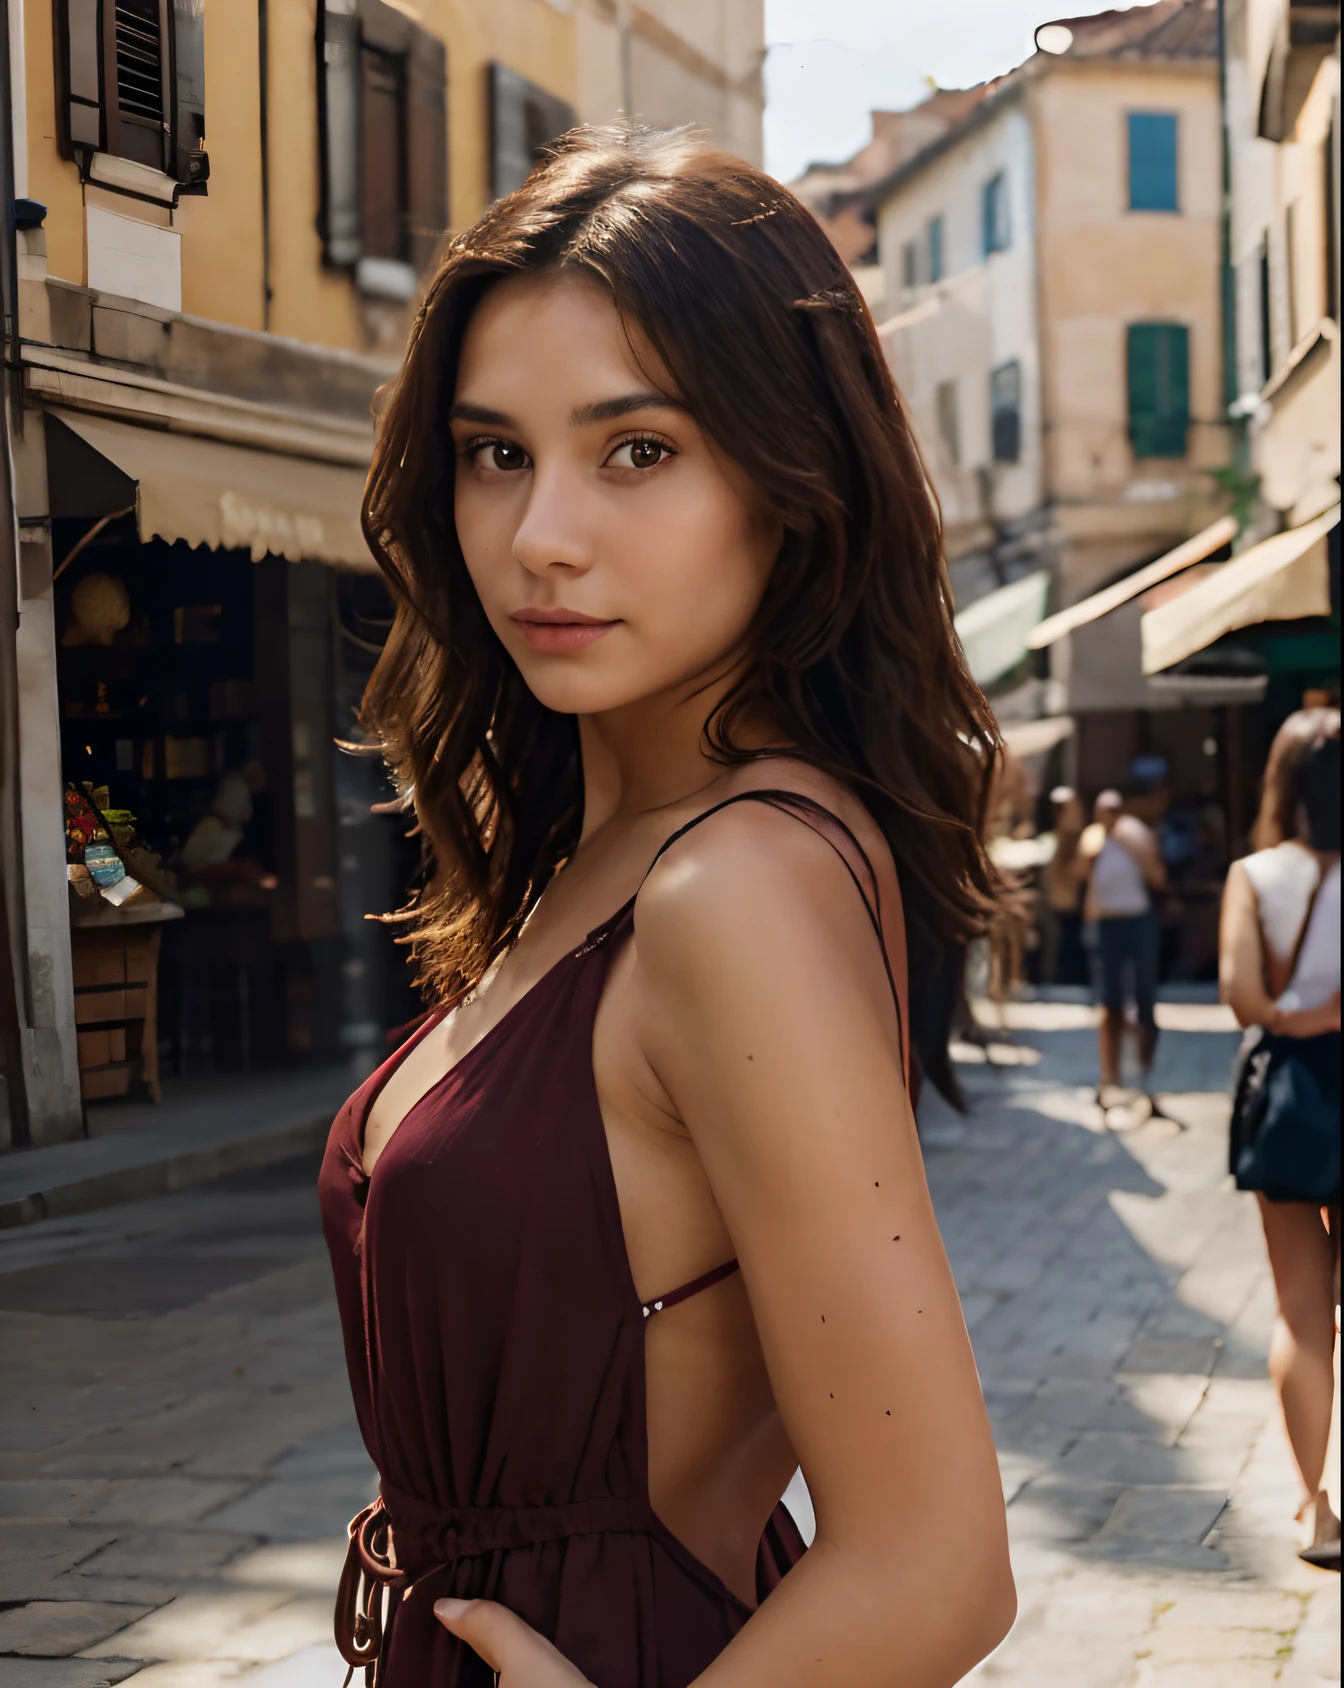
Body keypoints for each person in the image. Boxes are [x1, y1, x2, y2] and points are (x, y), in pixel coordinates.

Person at [318, 126, 1015, 1688]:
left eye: (637, 449)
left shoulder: (735, 885)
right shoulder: (619, 849)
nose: (540, 535)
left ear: (793, 483)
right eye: (498, 452)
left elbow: (939, 1568)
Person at [1219, 708, 1341, 1572]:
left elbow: (1242, 999)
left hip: (1294, 1096)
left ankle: (1317, 1509)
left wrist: (1306, 1016)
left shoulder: (1256, 875)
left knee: (1302, 1309)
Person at [1080, 788, 1167, 1110]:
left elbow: (1158, 876)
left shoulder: (1136, 834)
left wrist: (1130, 845)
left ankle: (1146, 1076)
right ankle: (1109, 1077)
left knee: (1145, 999)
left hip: (1138, 922)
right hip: (1107, 925)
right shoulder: (1093, 840)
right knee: (1109, 1004)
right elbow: (1086, 879)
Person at [1041, 785, 1088, 986]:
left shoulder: (1082, 841)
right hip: (1056, 907)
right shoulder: (1050, 840)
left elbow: (1079, 871)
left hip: (1074, 909)